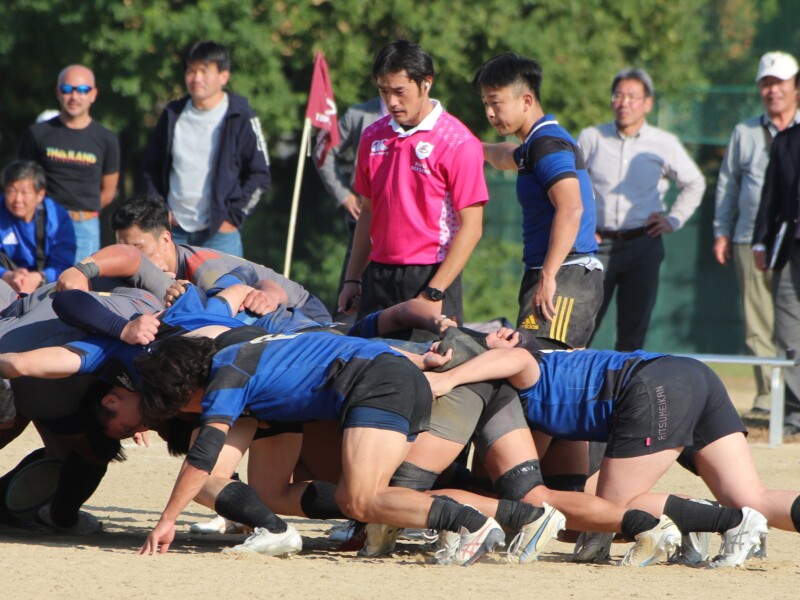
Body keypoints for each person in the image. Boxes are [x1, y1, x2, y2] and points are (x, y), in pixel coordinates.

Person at [426, 343, 783, 568]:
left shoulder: (522, 367)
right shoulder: (548, 400)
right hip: (689, 373)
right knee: (752, 497)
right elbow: (548, 488)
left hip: (652, 386)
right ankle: (728, 517)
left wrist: (447, 380)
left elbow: (516, 357)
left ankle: (723, 520)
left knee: (612, 512)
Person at [337, 40, 487, 337]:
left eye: (399, 91)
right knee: (365, 370)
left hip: (430, 277)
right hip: (377, 277)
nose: (391, 101)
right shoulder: (372, 136)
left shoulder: (459, 142)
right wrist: (352, 279)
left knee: (425, 375)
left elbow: (472, 227)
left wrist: (433, 292)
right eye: (383, 91)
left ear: (426, 84)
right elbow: (367, 212)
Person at [475, 53, 603, 349]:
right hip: (554, 272)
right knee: (524, 361)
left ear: (526, 101)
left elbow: (571, 208)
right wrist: (470, 145)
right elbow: (504, 155)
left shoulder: (547, 144)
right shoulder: (533, 146)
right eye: (485, 104)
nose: (490, 113)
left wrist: (548, 276)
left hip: (566, 274)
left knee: (545, 367)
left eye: (496, 102)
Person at [578, 68, 706, 351]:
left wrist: (674, 219)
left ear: (647, 103)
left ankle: (625, 393)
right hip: (596, 246)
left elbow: (694, 182)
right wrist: (582, 228)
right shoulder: (591, 138)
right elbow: (571, 186)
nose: (624, 103)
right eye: (618, 95)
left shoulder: (664, 143)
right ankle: (572, 392)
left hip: (643, 245)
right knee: (581, 328)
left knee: (633, 334)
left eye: (632, 97)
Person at [714, 51, 800, 416]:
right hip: (751, 237)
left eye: (779, 82)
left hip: (793, 241)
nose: (772, 90)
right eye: (766, 83)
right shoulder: (745, 131)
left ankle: (793, 399)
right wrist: (722, 230)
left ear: (795, 86)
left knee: (791, 321)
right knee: (759, 322)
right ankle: (770, 398)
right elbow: (727, 184)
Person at [109, 195, 331, 322]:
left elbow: (219, 321)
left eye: (137, 247)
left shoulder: (206, 270)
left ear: (166, 239)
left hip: (304, 312)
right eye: (120, 248)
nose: (128, 256)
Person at [142, 40, 270, 257]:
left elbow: (260, 173)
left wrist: (233, 217)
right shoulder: (172, 114)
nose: (196, 78)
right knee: (170, 291)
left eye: (204, 71)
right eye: (191, 71)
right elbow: (150, 168)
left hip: (220, 235)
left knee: (224, 291)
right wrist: (160, 211)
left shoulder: (241, 116)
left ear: (223, 76)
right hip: (174, 230)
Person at [18, 65, 120, 262]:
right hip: (43, 223)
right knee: (39, 288)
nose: (74, 96)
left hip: (85, 227)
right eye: (67, 89)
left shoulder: (107, 139)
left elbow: (108, 192)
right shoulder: (37, 133)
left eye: (82, 90)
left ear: (93, 94)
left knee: (78, 288)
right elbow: (22, 182)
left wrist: (82, 212)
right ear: (58, 92)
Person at [314, 96, 384, 318]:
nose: (393, 101)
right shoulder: (358, 115)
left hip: (408, 236)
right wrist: (344, 195)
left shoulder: (431, 119)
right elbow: (323, 152)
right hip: (365, 222)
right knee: (349, 306)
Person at [0, 160, 75, 293]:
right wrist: (6, 275)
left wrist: (39, 278)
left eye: (25, 193)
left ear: (40, 194)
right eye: (11, 191)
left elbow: (64, 262)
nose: (17, 199)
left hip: (45, 285)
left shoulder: (58, 217)